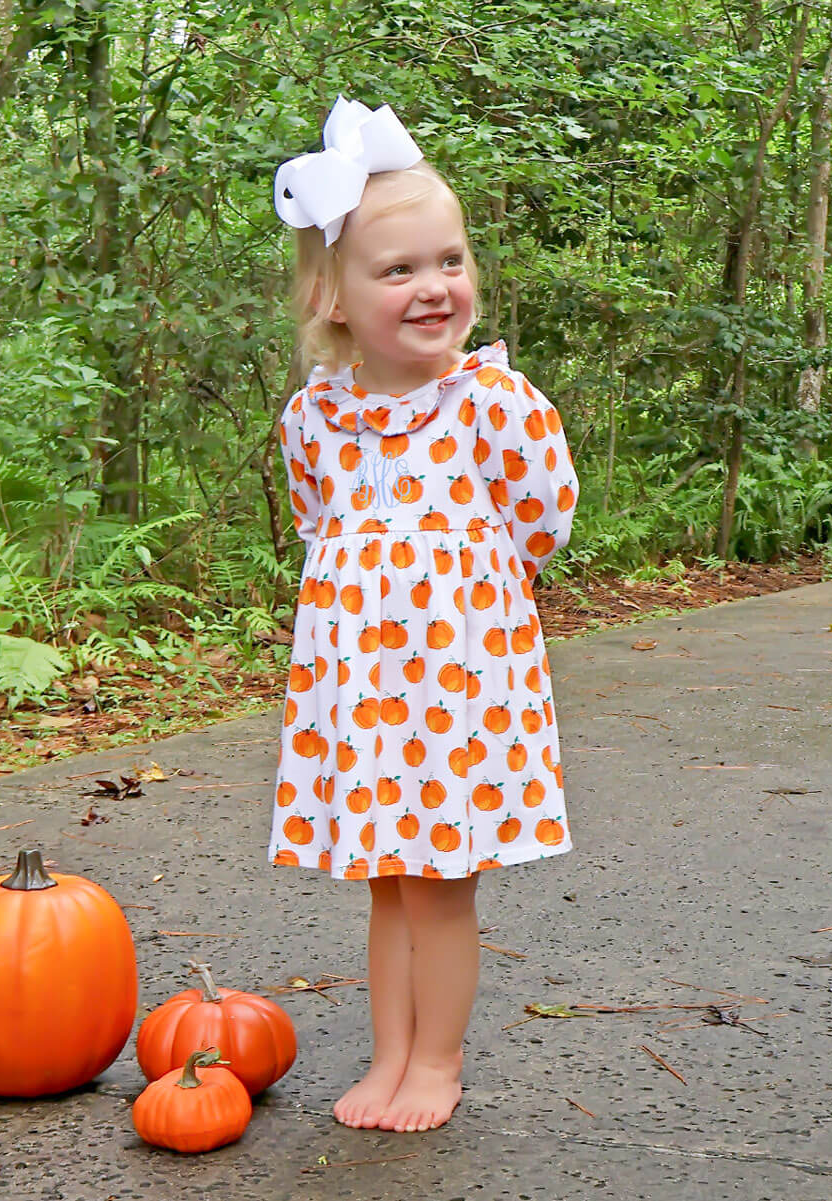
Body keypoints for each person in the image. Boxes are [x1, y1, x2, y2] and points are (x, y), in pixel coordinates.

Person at [268, 97, 579, 1134]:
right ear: (336, 295)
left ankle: (436, 1062)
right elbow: (323, 531)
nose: (432, 287)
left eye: (448, 261)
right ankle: (389, 1053)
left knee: (441, 883)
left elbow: (541, 517)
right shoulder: (318, 419)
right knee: (385, 883)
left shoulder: (494, 405)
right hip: (361, 692)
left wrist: (461, 603)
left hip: (456, 688)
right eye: (397, 270)